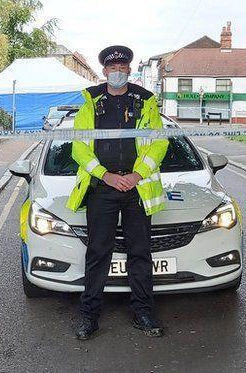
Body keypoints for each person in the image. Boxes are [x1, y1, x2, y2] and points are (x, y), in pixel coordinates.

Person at [68, 45, 169, 340]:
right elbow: (79, 148)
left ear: (128, 70)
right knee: (98, 253)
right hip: (103, 188)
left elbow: (159, 143)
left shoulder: (145, 102)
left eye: (123, 67)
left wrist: (137, 175)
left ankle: (143, 313)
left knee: (140, 253)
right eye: (113, 68)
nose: (118, 72)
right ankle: (89, 317)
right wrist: (106, 176)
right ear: (104, 72)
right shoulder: (90, 103)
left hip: (137, 188)